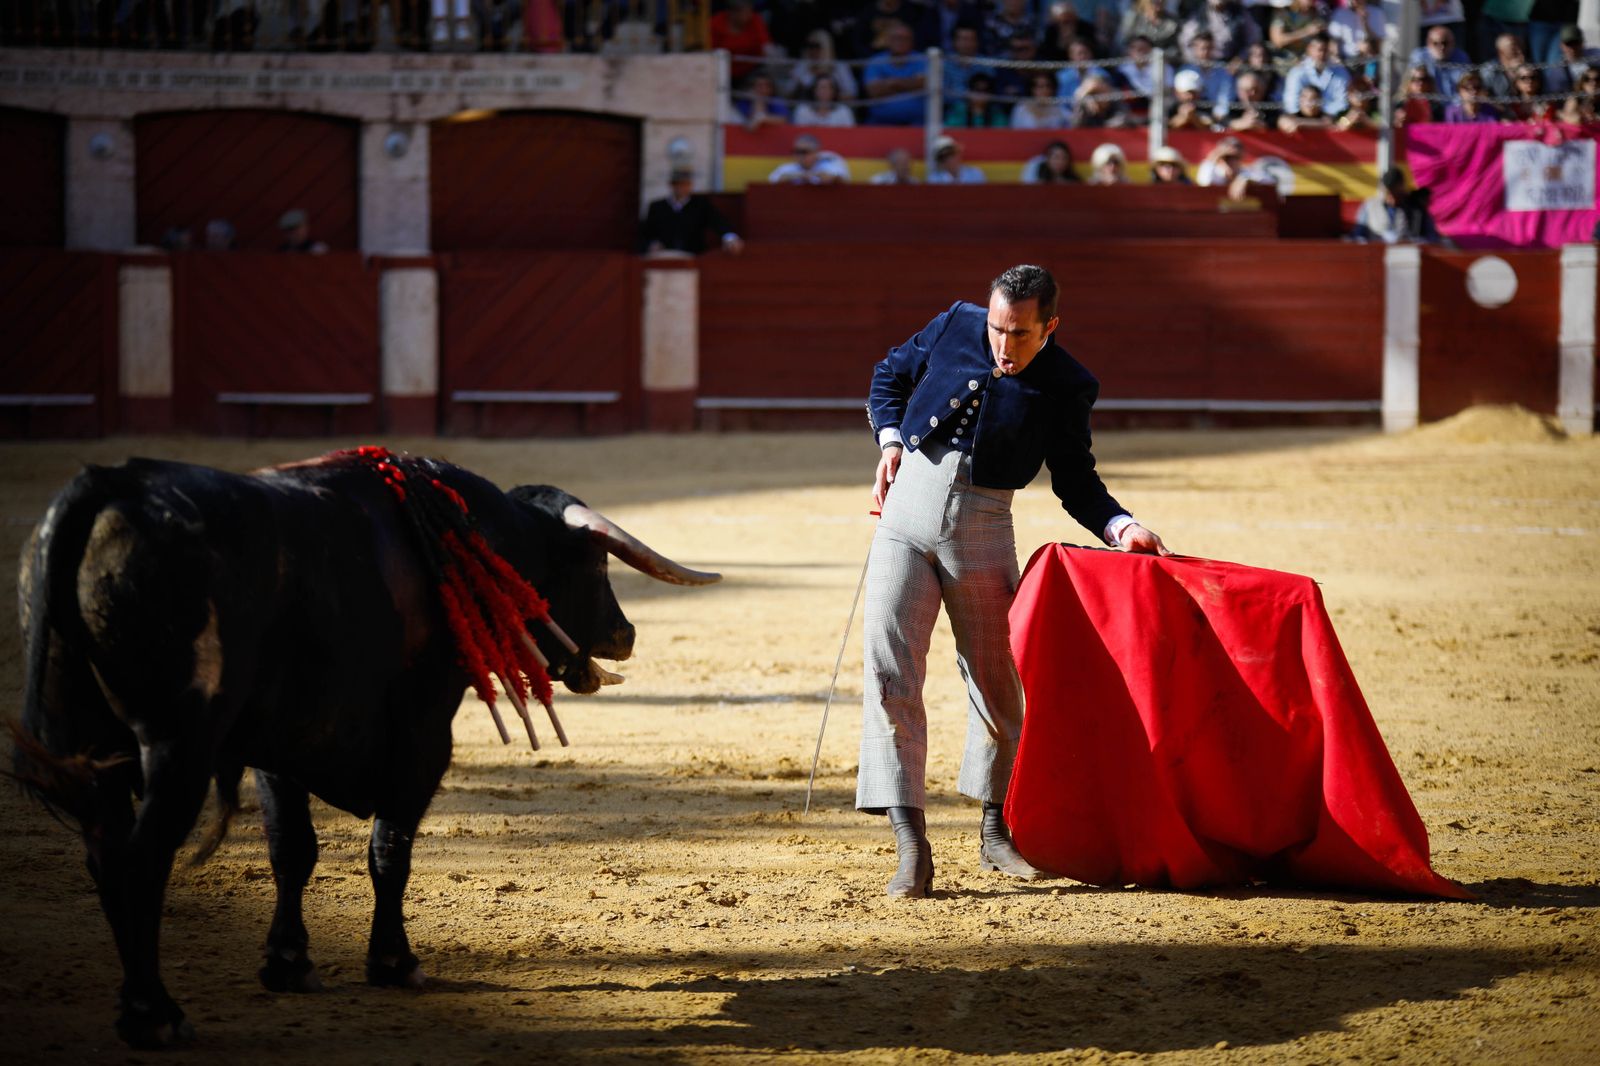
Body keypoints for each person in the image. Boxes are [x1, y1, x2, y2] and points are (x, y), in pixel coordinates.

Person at [859, 264, 1169, 898]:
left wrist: (1120, 526)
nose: (1004, 346)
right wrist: (891, 440)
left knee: (998, 682)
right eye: (998, 328)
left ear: (1049, 327)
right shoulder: (954, 324)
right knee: (890, 672)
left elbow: (1075, 479)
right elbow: (890, 374)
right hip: (904, 510)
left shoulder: (1067, 384)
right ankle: (911, 845)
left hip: (983, 523)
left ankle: (996, 830)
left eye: (1021, 334)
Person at [639, 168, 744, 255]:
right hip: (665, 256)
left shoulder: (701, 205)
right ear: (671, 185)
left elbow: (718, 222)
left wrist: (730, 237)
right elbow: (647, 233)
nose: (681, 188)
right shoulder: (657, 207)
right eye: (678, 184)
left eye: (685, 184)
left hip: (694, 256)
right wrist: (651, 244)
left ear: (690, 185)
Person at [1350, 168, 1450, 245]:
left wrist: (1418, 241)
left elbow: (1433, 237)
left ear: (1402, 188)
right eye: (1388, 194)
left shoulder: (1416, 209)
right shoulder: (1370, 206)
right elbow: (1358, 236)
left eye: (1396, 194)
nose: (1392, 199)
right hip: (1375, 259)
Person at [863, 20, 930, 125]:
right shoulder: (876, 61)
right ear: (888, 41)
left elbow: (924, 84)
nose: (900, 42)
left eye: (904, 39)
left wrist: (892, 83)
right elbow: (874, 91)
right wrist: (909, 84)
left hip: (918, 121)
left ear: (912, 41)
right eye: (896, 38)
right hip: (880, 121)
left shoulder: (921, 59)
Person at [1282, 32, 1349, 116]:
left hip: (1330, 119)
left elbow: (1342, 103)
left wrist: (1321, 110)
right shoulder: (1297, 72)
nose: (1322, 54)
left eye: (1326, 50)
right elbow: (1291, 104)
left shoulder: (1340, 71)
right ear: (1309, 49)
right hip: (1302, 119)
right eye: (1319, 50)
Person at [711, 0, 774, 83]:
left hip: (751, 71)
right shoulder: (716, 24)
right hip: (722, 72)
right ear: (732, 13)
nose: (750, 15)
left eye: (750, 11)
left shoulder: (755, 20)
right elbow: (710, 52)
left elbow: (766, 46)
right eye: (745, 12)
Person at [1410, 22, 1470, 99]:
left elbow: (1466, 87)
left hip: (1455, 107)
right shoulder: (1419, 56)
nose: (1441, 47)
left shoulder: (1461, 57)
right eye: (1435, 43)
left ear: (1453, 43)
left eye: (1445, 43)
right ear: (1428, 43)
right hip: (1428, 104)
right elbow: (1414, 86)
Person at [768, 133, 851, 184]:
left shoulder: (829, 166)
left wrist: (831, 178)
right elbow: (773, 181)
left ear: (816, 153)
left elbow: (842, 179)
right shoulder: (786, 168)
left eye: (804, 152)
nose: (799, 155)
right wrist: (800, 176)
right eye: (796, 151)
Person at [946, 70, 1012, 127]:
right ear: (969, 91)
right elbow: (950, 129)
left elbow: (1001, 132)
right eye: (977, 90)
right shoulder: (959, 109)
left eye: (985, 91)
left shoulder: (996, 112)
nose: (981, 95)